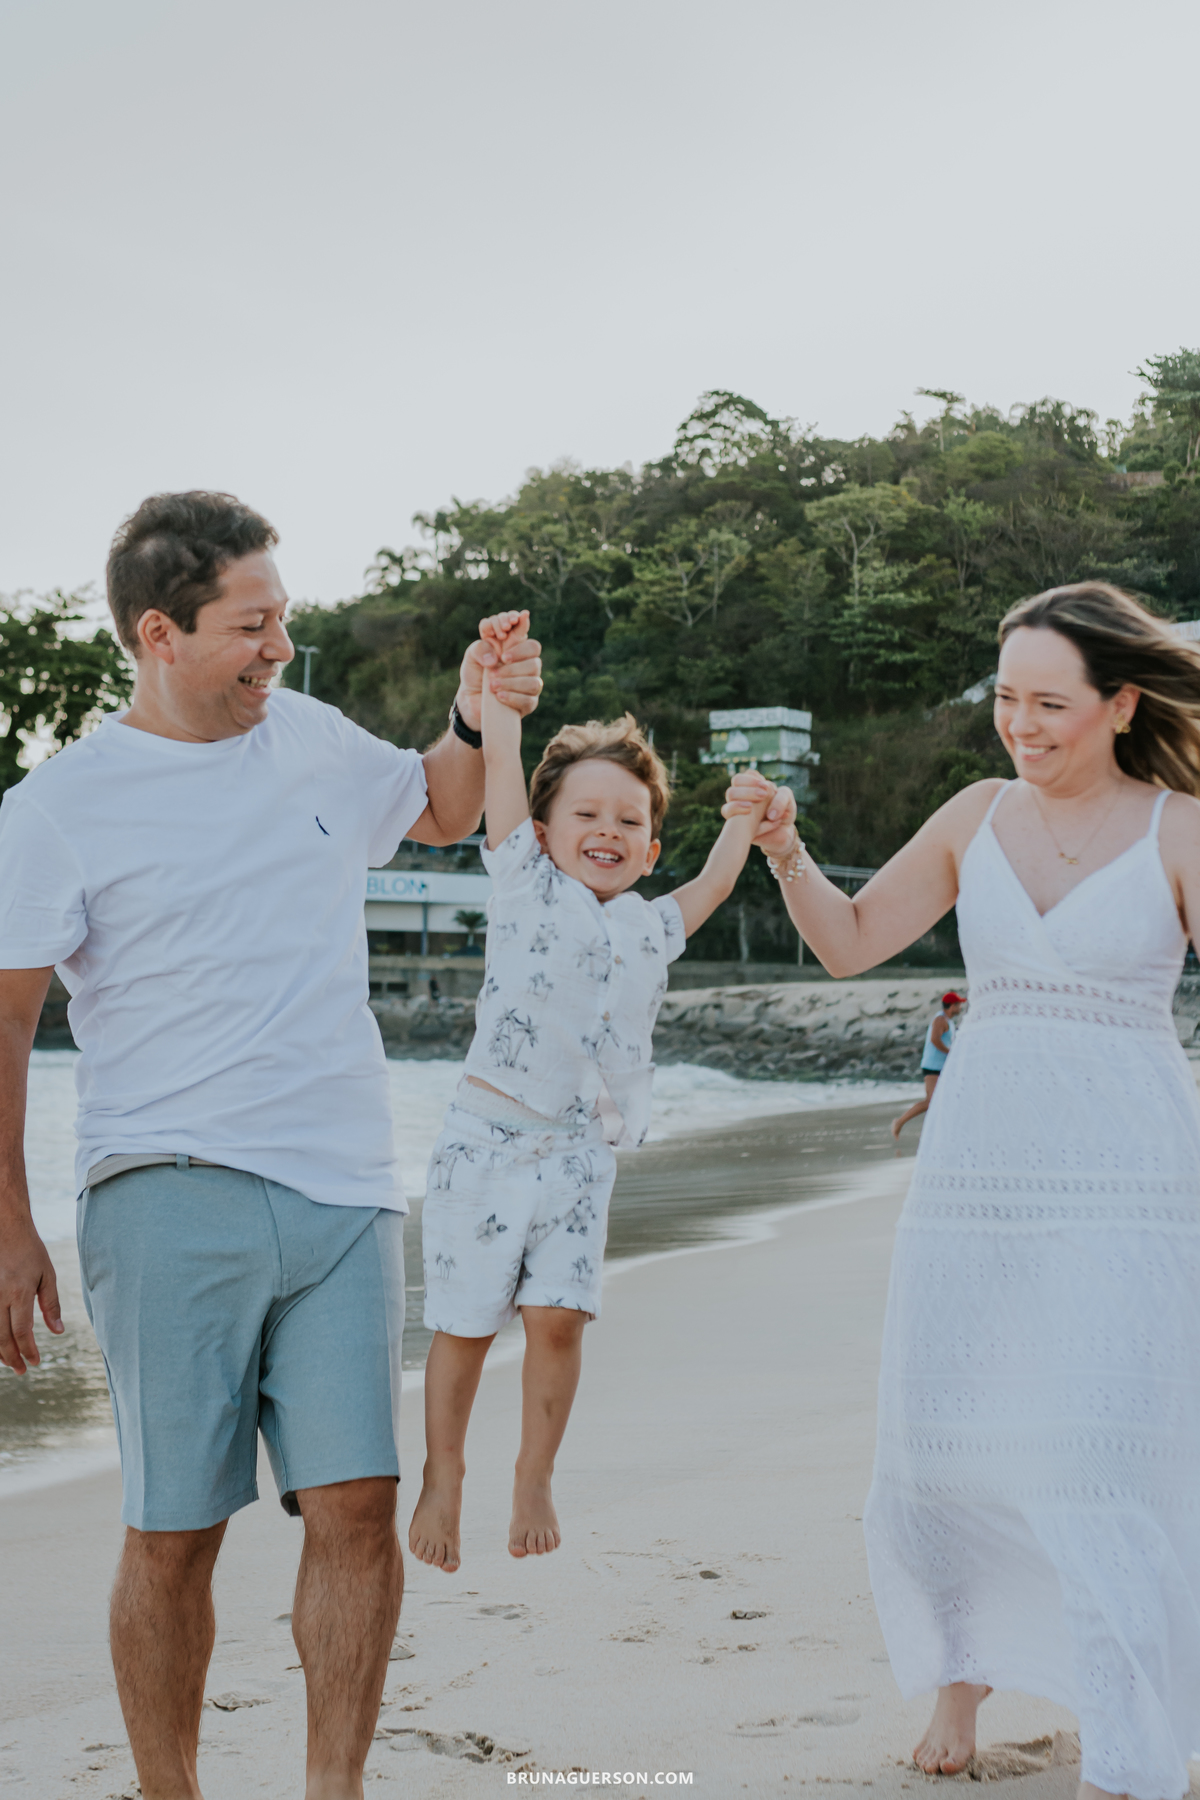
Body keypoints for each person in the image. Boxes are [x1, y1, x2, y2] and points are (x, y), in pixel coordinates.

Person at [0, 492, 544, 1800]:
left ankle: (331, 1790)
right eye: (253, 625)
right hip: (163, 1194)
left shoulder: (304, 737)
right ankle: (169, 1789)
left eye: (282, 616)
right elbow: (7, 1027)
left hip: (347, 1193)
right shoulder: (56, 809)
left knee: (358, 1506)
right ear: (158, 634)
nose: (281, 648)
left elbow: (441, 806)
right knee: (177, 1533)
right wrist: (9, 1224)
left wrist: (479, 711)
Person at [724, 582, 1200, 1800]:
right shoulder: (978, 814)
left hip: (1126, 1180)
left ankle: (1131, 1744)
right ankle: (962, 1673)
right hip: (979, 1174)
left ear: (1120, 703)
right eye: (1006, 699)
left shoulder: (1176, 830)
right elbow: (848, 941)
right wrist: (783, 851)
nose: (1022, 725)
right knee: (949, 1442)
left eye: (1050, 703)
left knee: (1094, 1455)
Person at [408, 609, 769, 1575]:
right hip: (485, 1139)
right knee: (466, 1326)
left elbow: (719, 884)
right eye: (587, 815)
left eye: (630, 822)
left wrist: (743, 821)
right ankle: (444, 1471)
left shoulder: (653, 925)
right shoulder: (521, 881)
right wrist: (490, 683)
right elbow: (502, 762)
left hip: (578, 1151)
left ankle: (535, 1472)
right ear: (542, 831)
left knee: (560, 1318)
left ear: (651, 849)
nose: (607, 831)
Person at [889, 990, 966, 1144]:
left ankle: (944, 1131)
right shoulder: (940, 1020)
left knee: (947, 1098)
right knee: (931, 1101)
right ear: (951, 1006)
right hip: (932, 1067)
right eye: (958, 1005)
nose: (960, 1008)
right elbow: (934, 1040)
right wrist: (950, 1053)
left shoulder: (948, 1021)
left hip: (942, 1067)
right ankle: (899, 1122)